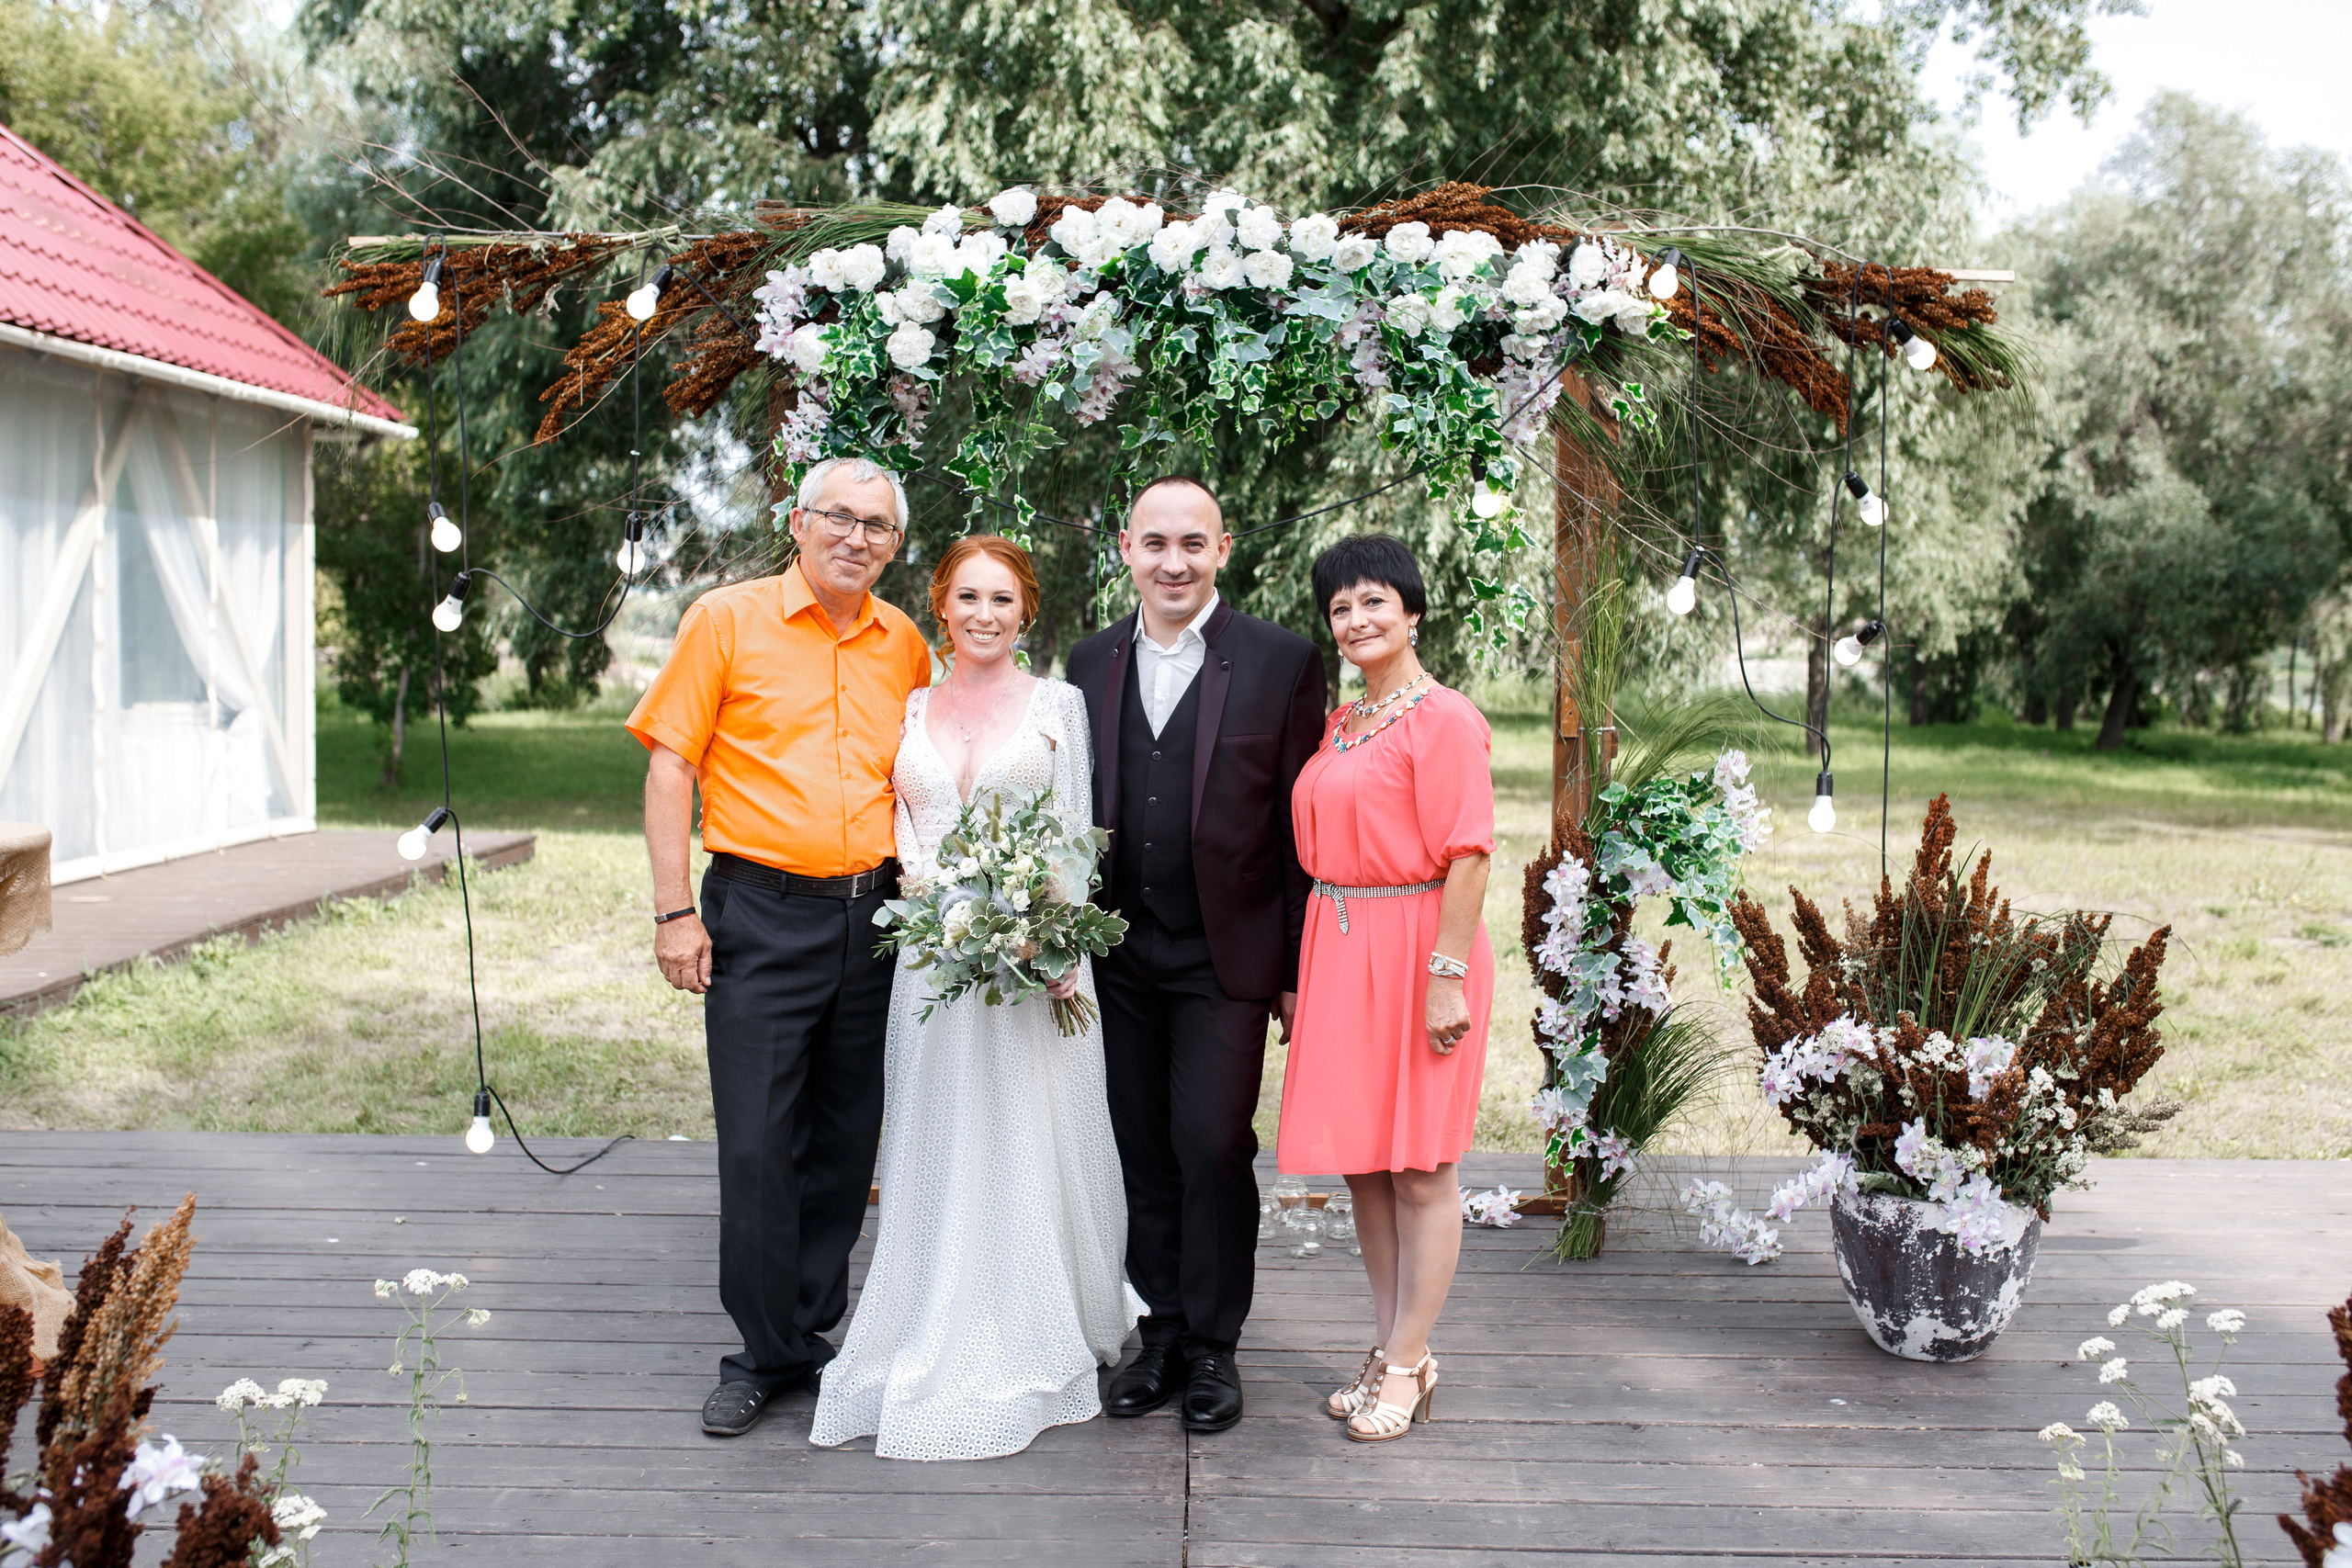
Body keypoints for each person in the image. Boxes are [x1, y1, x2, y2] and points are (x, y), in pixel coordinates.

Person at [809, 535, 1142, 1461]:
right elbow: (897, 809)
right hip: (931, 962)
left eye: (1002, 600)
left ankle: (1035, 1313)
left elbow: (1075, 834)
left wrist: (1057, 946)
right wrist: (921, 879)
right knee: (939, 1132)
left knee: (1023, 1131)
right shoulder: (911, 700)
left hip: (1031, 956)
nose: (984, 615)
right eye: (967, 598)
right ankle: (931, 1302)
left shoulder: (1058, 707)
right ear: (941, 605)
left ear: (1025, 610)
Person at [627, 456, 933, 1439]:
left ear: (894, 545)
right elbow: (672, 764)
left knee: (845, 1144)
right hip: (759, 911)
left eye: (877, 526)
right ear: (795, 523)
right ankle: (761, 1352)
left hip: (877, 918)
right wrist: (676, 912)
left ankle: (811, 1335)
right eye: (838, 517)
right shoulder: (728, 619)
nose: (856, 537)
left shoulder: (905, 644)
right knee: (761, 1142)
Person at [1065, 476, 1328, 1432]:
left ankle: (1214, 1346)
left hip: (1227, 953)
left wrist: (1297, 970)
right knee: (1139, 1146)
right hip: (1116, 951)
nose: (1172, 561)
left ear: (1223, 548)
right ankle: (1162, 1331)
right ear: (1125, 548)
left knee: (1212, 1142)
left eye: (1192, 543)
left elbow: (1305, 829)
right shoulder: (1086, 661)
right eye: (1154, 543)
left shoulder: (1281, 661)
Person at [1277, 533, 1495, 1445]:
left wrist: (1444, 980)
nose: (1358, 618)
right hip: (1342, 947)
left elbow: (1469, 854)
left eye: (1375, 601)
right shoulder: (1344, 721)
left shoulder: (1443, 718)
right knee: (1365, 1165)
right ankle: (1387, 1344)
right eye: (1340, 607)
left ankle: (1408, 1362)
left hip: (1419, 952)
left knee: (1419, 1168)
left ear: (1410, 611)